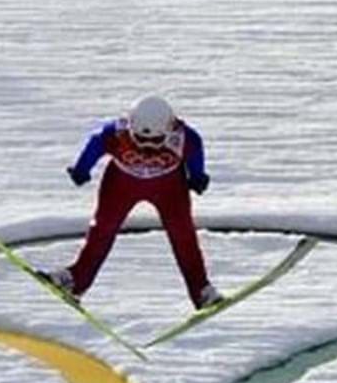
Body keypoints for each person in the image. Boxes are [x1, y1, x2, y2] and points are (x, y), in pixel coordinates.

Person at [42, 95, 223, 310]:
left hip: (168, 187)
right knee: (102, 229)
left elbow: (195, 150)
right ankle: (75, 281)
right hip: (122, 183)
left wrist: (197, 175)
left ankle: (201, 290)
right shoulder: (116, 133)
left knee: (183, 233)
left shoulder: (184, 137)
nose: (147, 147)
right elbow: (95, 143)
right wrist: (82, 168)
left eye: (156, 141)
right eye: (139, 139)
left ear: (170, 127)